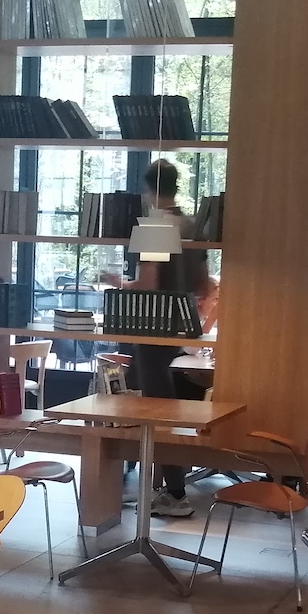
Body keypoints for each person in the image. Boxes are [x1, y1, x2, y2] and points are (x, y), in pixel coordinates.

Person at [99, 160, 218, 518]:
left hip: (152, 328)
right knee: (154, 407)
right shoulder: (192, 224)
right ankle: (154, 486)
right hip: (182, 326)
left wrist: (116, 282)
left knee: (154, 413)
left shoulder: (153, 226)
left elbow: (147, 286)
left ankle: (176, 494)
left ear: (147, 189)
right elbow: (204, 283)